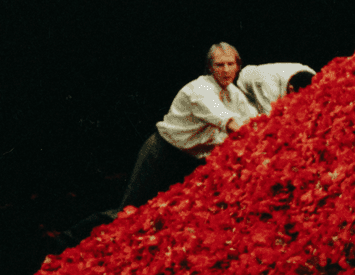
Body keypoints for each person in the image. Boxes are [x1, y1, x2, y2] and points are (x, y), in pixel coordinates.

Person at [65, 43, 257, 241]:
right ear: (210, 67)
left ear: (238, 66)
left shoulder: (233, 94)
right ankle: (67, 238)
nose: (225, 70)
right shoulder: (200, 89)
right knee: (128, 213)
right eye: (219, 65)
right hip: (163, 154)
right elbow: (228, 121)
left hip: (190, 161)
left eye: (230, 64)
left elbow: (251, 120)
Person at [236, 62, 315, 115]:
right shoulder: (268, 85)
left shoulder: (312, 75)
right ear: (291, 89)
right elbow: (269, 117)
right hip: (247, 90)